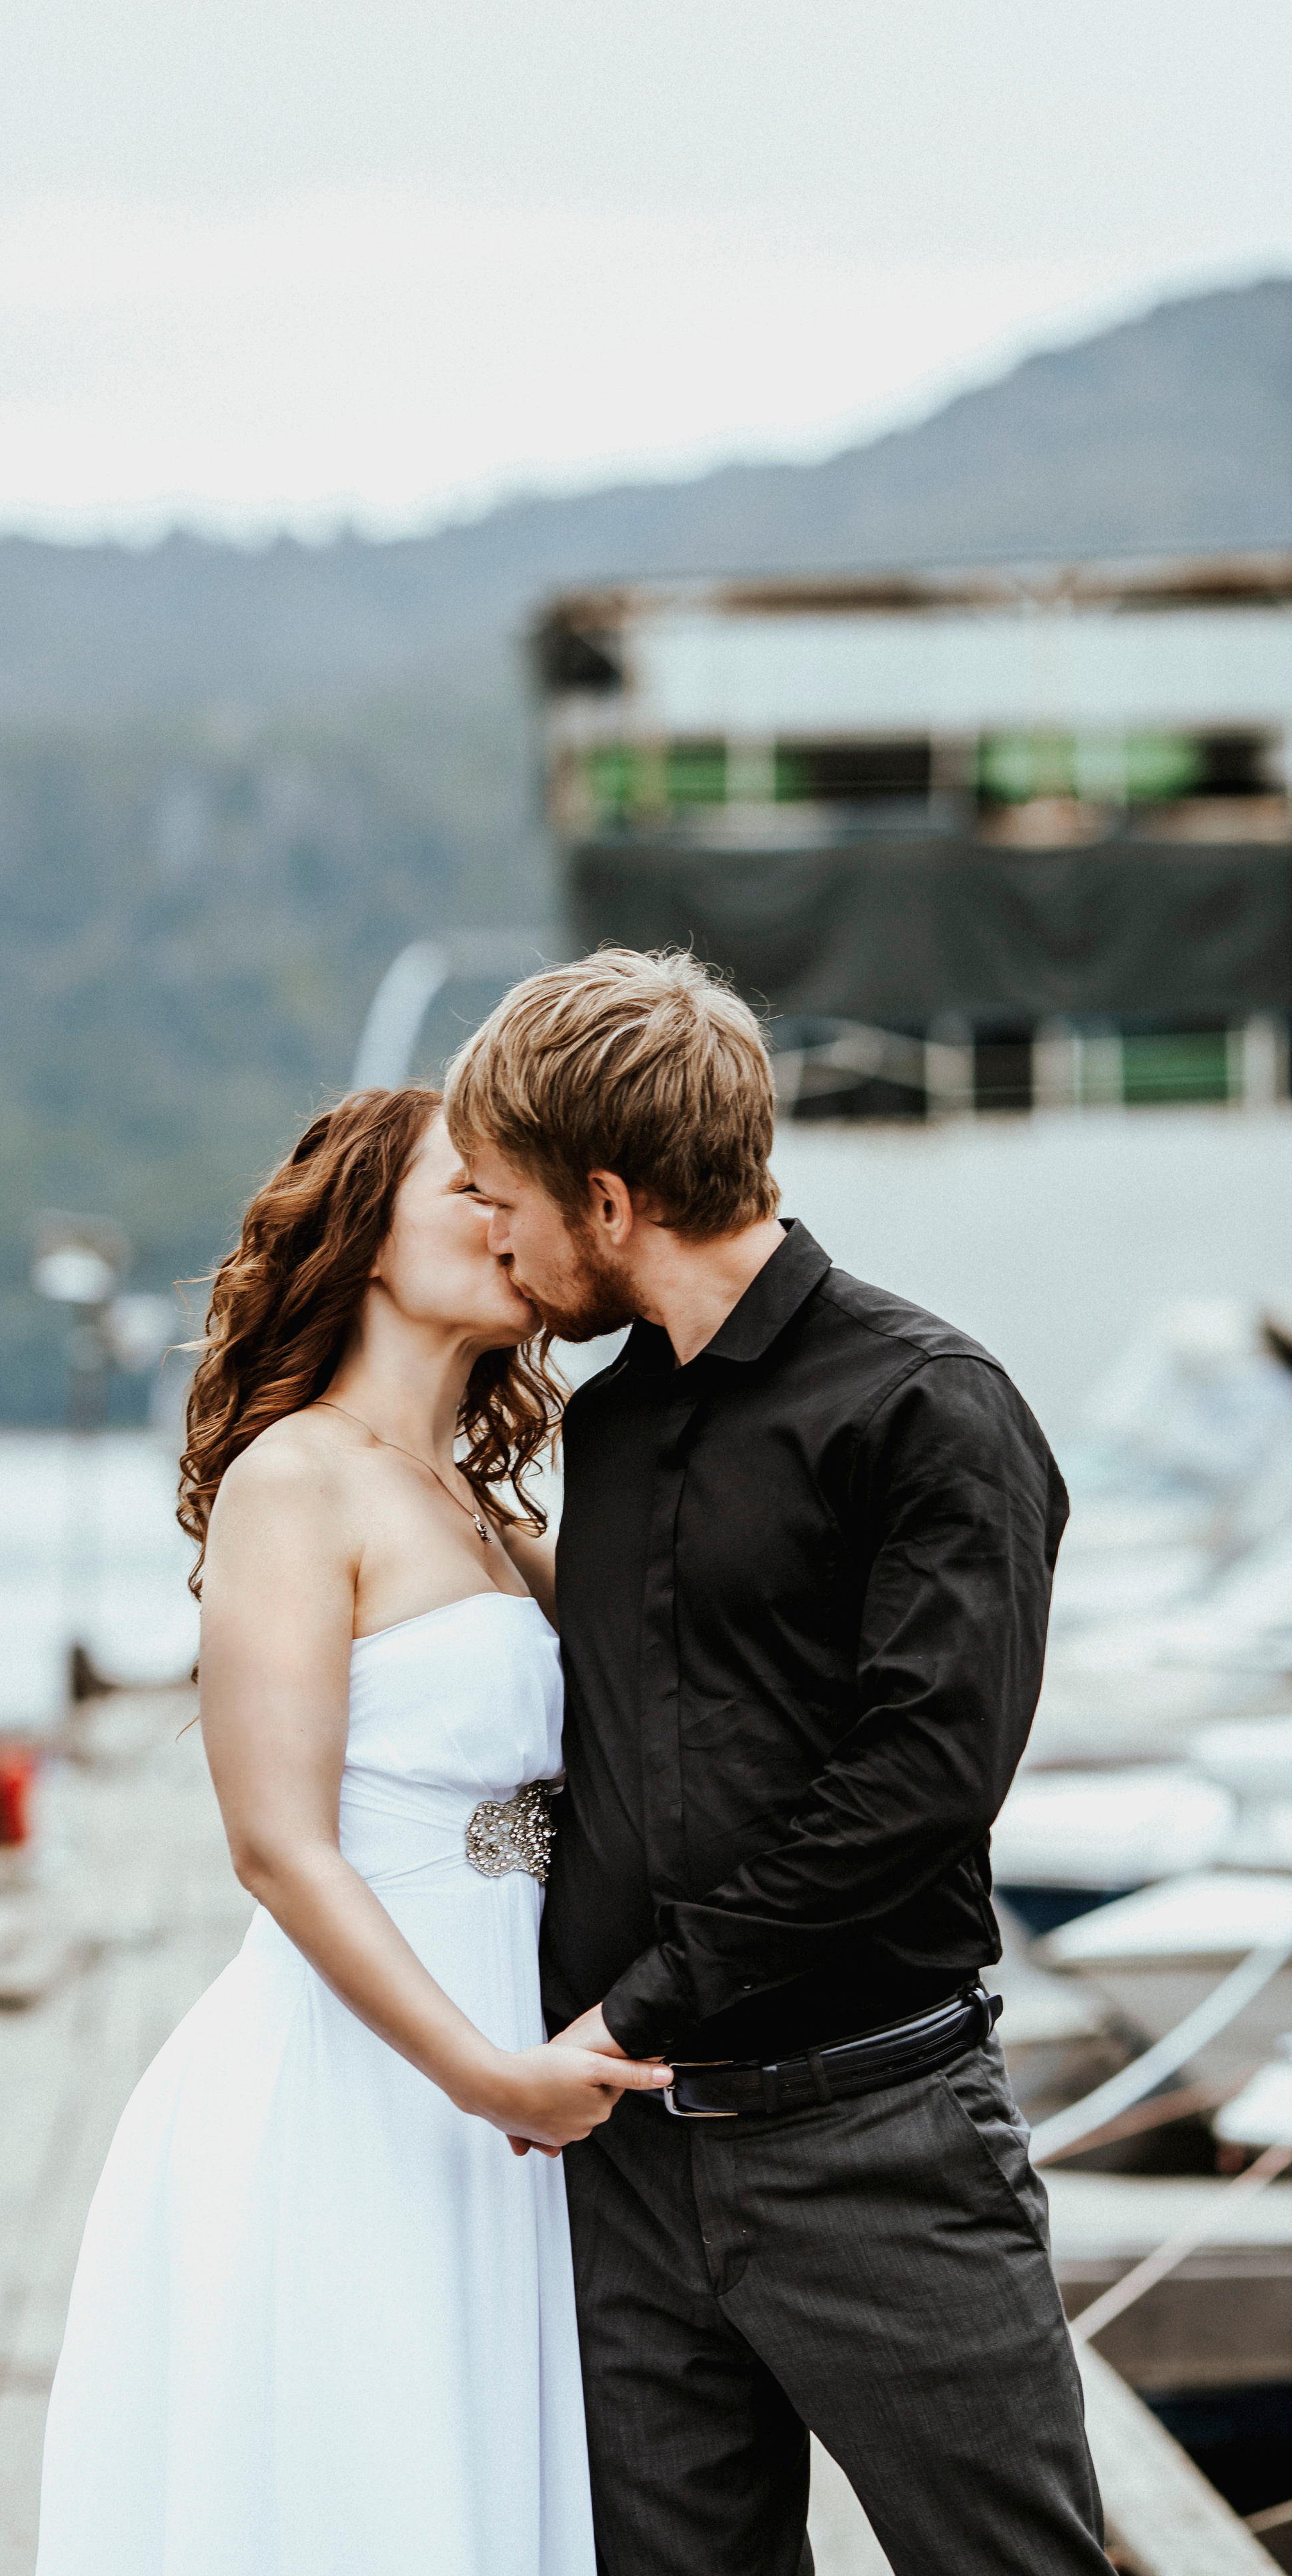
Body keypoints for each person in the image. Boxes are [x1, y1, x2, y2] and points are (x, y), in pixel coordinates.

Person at [445, 947, 1114, 2576]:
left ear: (607, 1202)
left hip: (873, 2141)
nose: (495, 1237)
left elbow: (920, 1785)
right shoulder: (603, 1427)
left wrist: (638, 2005)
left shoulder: (927, 1408)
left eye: (505, 1198)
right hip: (629, 2169)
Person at [34, 1085, 670, 2576]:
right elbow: (277, 1844)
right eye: (470, 1187)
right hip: (362, 2083)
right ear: (366, 1237)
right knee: (361, 2491)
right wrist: (482, 2076)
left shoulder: (493, 1516)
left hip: (501, 2088)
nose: (506, 1221)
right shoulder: (294, 1477)